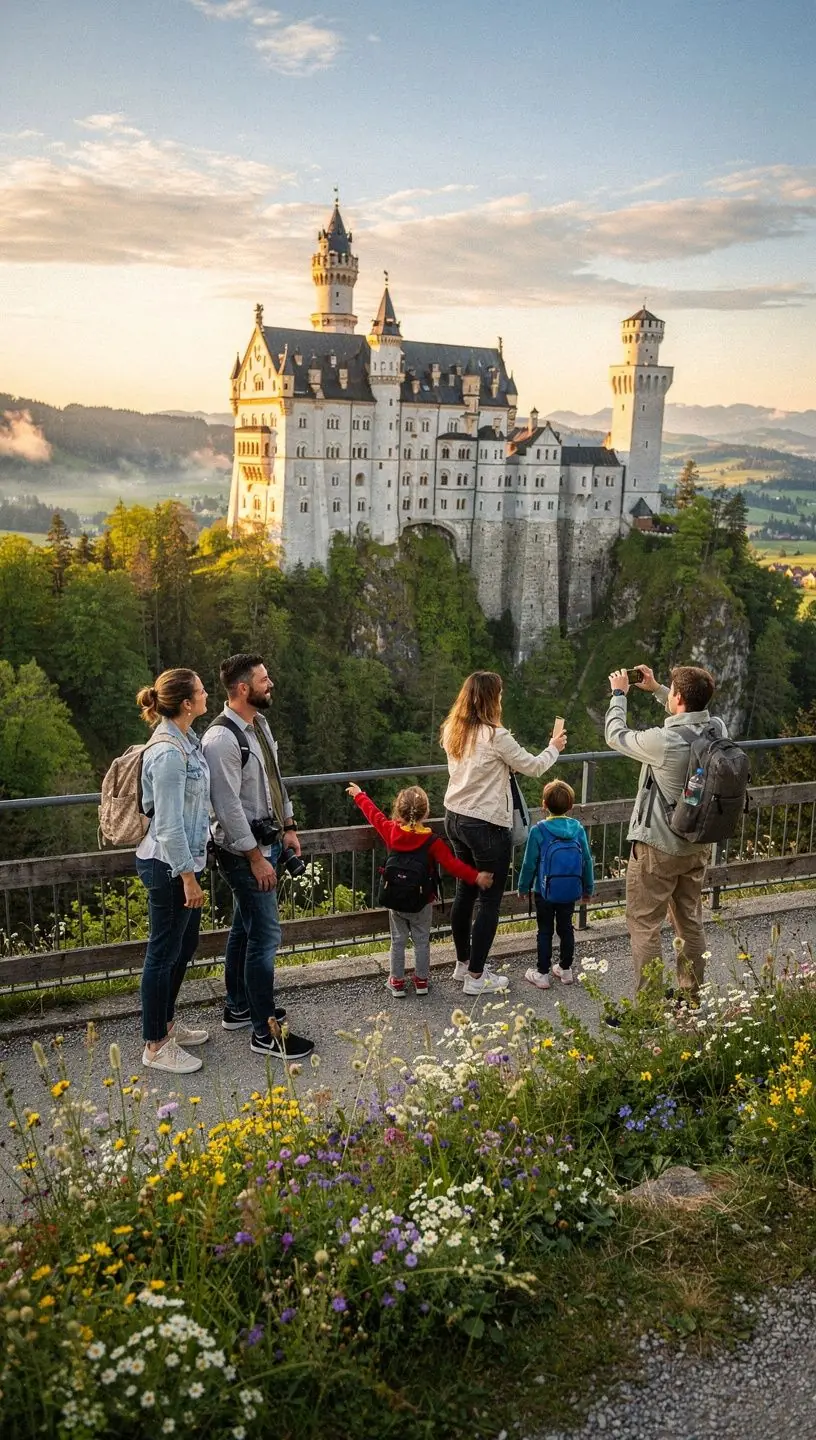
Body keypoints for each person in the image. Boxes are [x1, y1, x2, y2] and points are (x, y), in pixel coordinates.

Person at [202, 653, 314, 1061]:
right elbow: (227, 807)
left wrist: (289, 826)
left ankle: (238, 1007)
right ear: (243, 688)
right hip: (242, 852)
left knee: (245, 929)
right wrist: (255, 857)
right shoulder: (221, 740)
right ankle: (265, 1032)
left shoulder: (259, 726)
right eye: (265, 679)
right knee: (265, 937)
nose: (272, 684)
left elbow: (274, 780)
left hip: (266, 842)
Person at [440, 671, 567, 996]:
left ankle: (463, 963)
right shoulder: (496, 735)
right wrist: (554, 747)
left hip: (454, 817)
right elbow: (534, 766)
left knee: (465, 891)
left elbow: (479, 767)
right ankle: (476, 976)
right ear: (491, 699)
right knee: (489, 900)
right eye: (499, 694)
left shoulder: (455, 729)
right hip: (485, 825)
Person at [605, 663, 725, 1001]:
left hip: (658, 846)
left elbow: (615, 736)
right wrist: (658, 689)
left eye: (672, 691)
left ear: (679, 697)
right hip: (697, 844)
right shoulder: (717, 729)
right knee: (689, 921)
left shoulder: (663, 742)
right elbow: (690, 716)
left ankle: (648, 1009)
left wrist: (619, 695)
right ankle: (690, 996)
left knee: (645, 923)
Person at [346, 782, 494, 997]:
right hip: (422, 899)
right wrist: (476, 877)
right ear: (426, 813)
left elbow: (374, 815)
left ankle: (397, 982)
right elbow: (453, 865)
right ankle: (421, 981)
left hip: (395, 897)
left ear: (399, 811)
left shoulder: (392, 831)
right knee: (422, 940)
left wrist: (359, 795)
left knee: (398, 941)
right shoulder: (432, 841)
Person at [135, 669, 211, 1075]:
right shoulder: (167, 753)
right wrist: (188, 877)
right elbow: (167, 824)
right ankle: (155, 1044)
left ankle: (165, 1025)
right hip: (168, 866)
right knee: (162, 954)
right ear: (186, 703)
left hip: (183, 863)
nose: (206, 694)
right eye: (200, 690)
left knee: (183, 946)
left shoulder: (186, 740)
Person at [518, 779, 594, 991]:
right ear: (570, 806)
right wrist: (588, 889)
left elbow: (529, 863)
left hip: (543, 891)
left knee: (544, 931)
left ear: (544, 805)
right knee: (566, 927)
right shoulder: (577, 828)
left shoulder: (538, 830)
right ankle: (565, 969)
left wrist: (523, 887)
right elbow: (587, 860)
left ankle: (542, 974)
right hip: (569, 890)